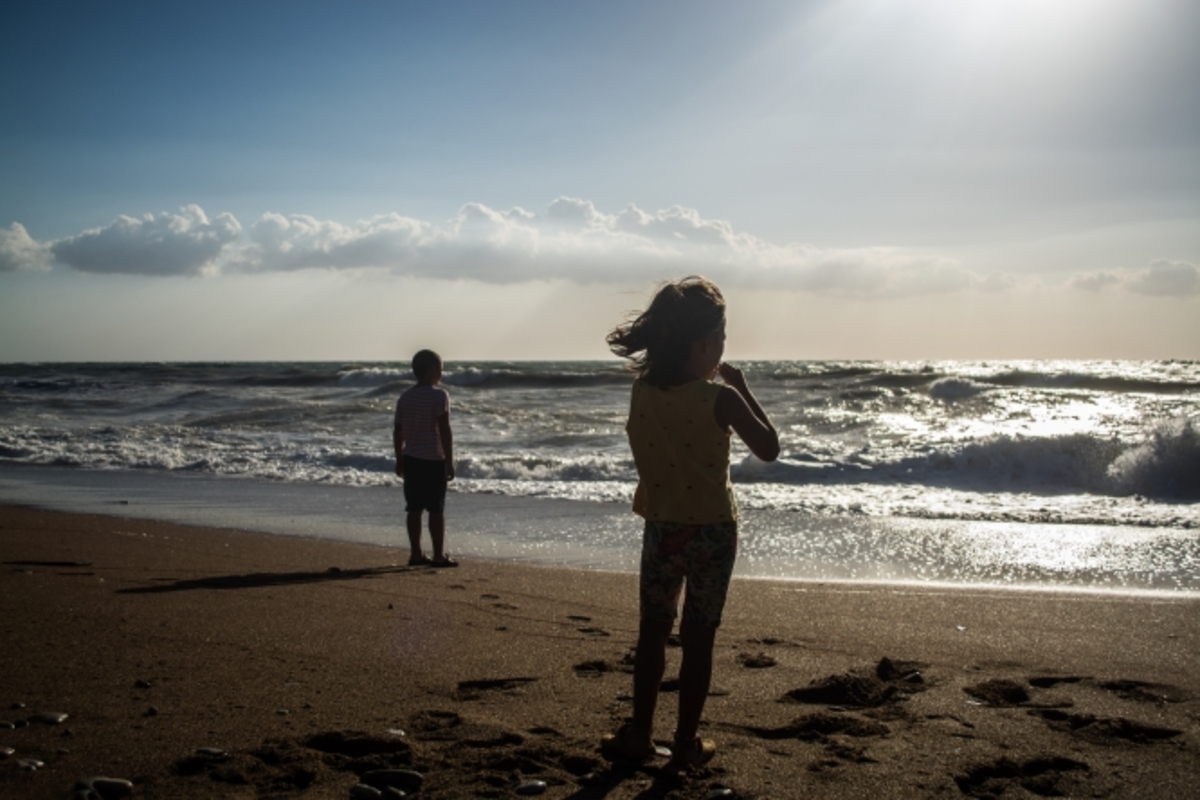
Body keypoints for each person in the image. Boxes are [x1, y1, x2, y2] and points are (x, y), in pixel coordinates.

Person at [602, 276, 779, 767]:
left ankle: (640, 734)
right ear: (706, 344)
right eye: (720, 339)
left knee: (653, 631)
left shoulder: (642, 392)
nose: (722, 349)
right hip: (714, 534)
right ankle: (685, 741)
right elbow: (769, 447)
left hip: (663, 528)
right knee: (699, 639)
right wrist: (742, 388)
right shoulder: (719, 398)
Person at [393, 349, 457, 568]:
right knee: (436, 509)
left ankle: (416, 553)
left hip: (411, 458)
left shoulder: (405, 397)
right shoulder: (439, 395)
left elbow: (398, 431)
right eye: (440, 369)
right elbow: (444, 429)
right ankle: (438, 555)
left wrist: (399, 459)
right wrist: (449, 461)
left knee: (414, 508)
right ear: (432, 370)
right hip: (433, 459)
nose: (441, 374)